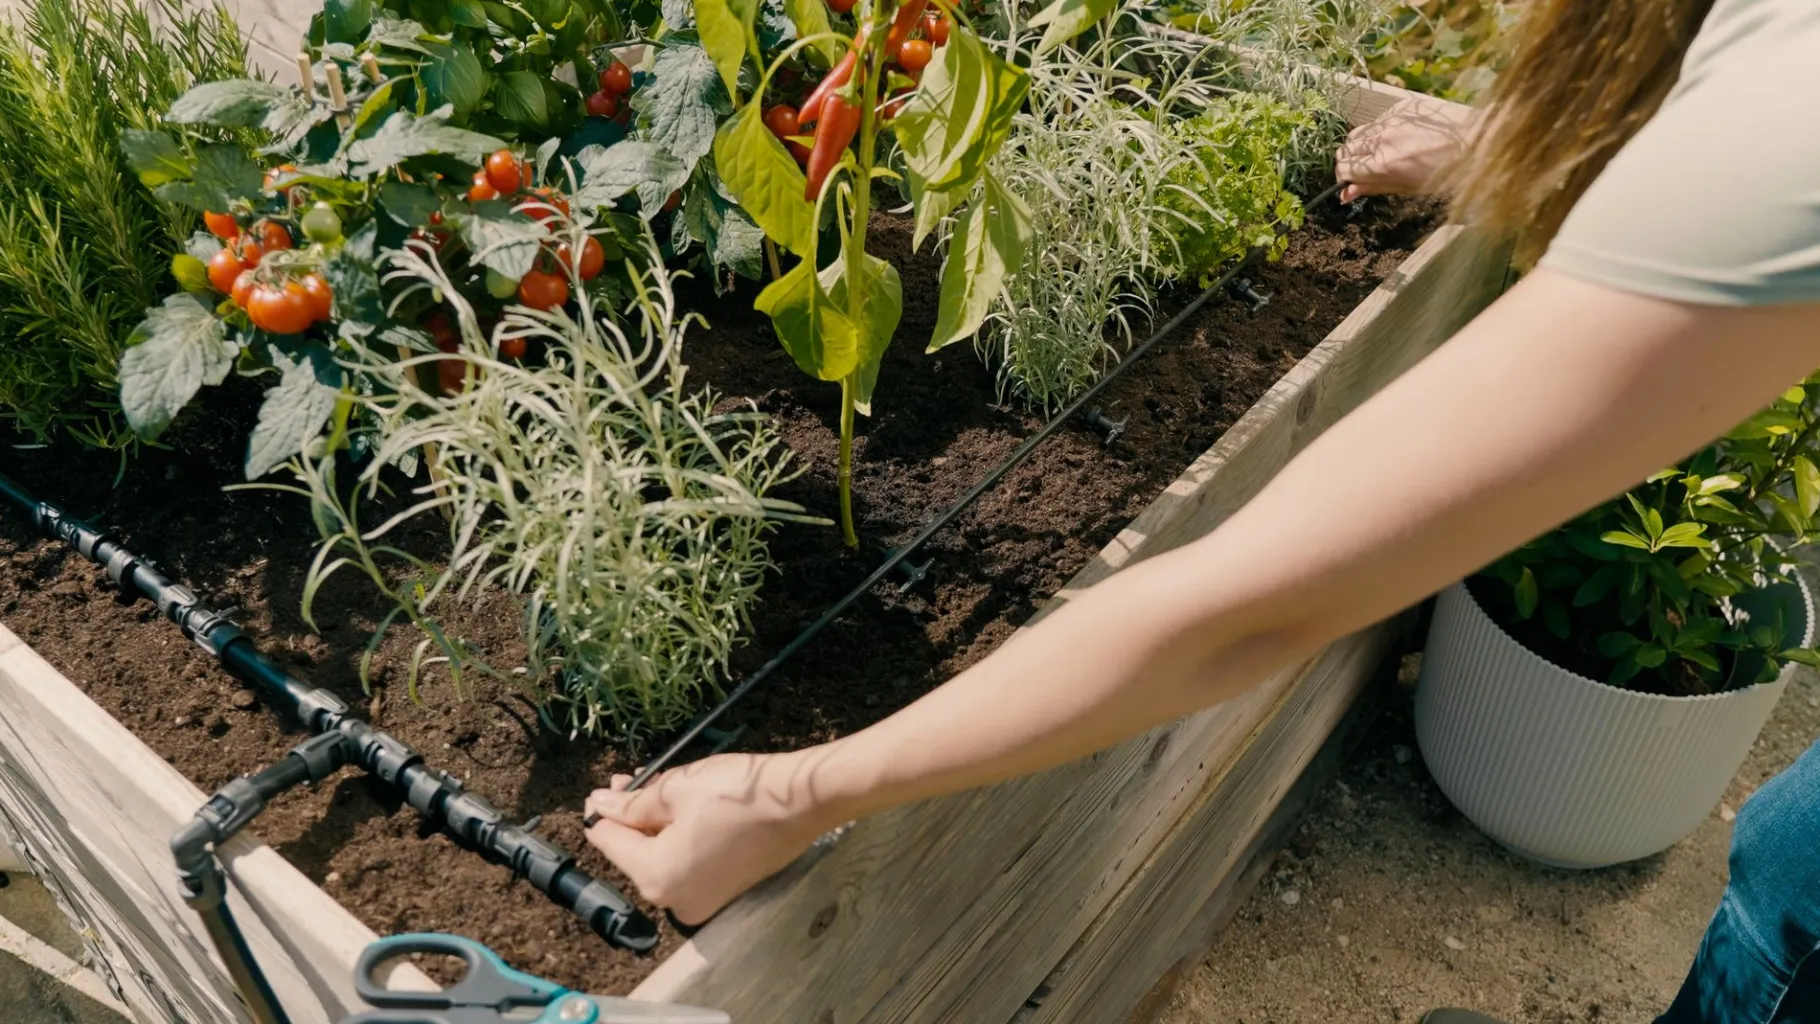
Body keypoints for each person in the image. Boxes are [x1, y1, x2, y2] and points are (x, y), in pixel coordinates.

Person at [586, 0, 1820, 1019]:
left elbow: (1256, 602)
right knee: (1786, 855)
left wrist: (790, 793)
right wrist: (1506, 149)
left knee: (1799, 906)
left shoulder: (1784, 125)